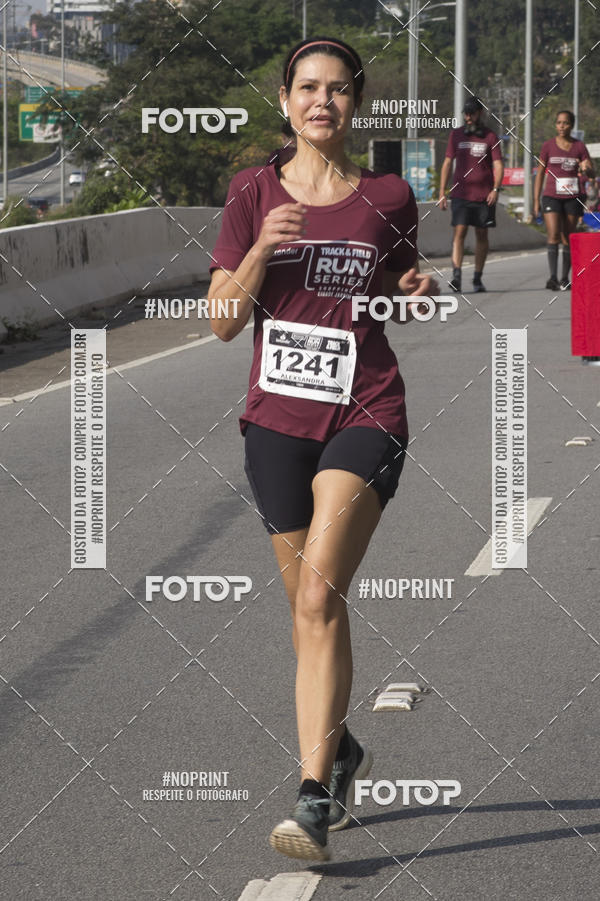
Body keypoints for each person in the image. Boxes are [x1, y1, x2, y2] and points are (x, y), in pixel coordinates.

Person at [207, 36, 438, 862]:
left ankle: (309, 801)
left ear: (356, 105)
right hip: (276, 423)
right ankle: (338, 752)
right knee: (309, 612)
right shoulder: (251, 191)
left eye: (338, 91)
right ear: (283, 100)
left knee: (317, 597)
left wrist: (419, 292)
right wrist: (266, 244)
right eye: (308, 88)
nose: (322, 103)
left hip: (366, 411)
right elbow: (223, 317)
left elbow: (403, 289)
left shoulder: (389, 195)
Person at [438, 96, 504, 294]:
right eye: (465, 114)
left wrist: (496, 189)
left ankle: (477, 277)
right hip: (460, 194)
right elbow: (448, 163)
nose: (468, 117)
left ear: (479, 113)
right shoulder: (456, 135)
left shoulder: (490, 136)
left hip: (484, 196)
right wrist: (442, 191)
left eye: (471, 113)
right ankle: (456, 275)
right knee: (459, 232)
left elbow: (498, 165)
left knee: (482, 234)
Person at [534, 110, 595, 290]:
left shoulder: (579, 147)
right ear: (556, 125)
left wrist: (587, 169)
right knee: (553, 234)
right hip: (551, 195)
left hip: (573, 197)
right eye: (559, 123)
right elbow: (539, 174)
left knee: (568, 236)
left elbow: (592, 173)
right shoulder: (548, 146)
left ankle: (564, 278)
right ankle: (552, 277)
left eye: (565, 123)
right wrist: (536, 200)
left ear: (572, 125)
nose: (562, 126)